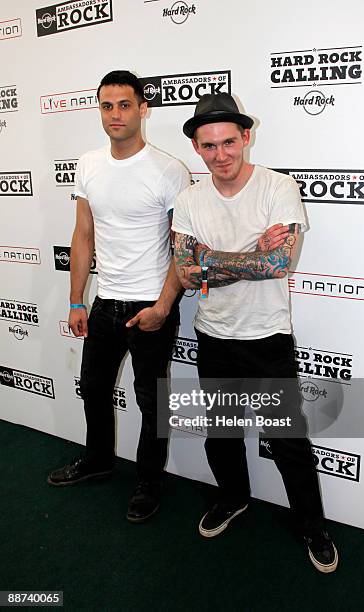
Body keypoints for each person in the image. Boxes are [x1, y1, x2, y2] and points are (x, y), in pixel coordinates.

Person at [172, 92, 338, 573]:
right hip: (213, 335)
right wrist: (247, 256)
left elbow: (280, 263)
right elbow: (185, 274)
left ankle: (312, 524)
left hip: (267, 337)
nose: (220, 154)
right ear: (197, 149)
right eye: (208, 146)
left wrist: (210, 260)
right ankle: (233, 499)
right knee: (221, 433)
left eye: (228, 142)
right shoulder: (188, 199)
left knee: (287, 439)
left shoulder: (277, 188)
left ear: (246, 137)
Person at [47, 70, 190, 523]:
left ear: (143, 108)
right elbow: (83, 234)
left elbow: (182, 248)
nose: (115, 115)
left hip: (151, 305)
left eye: (124, 105)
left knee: (151, 401)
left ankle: (149, 480)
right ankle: (98, 460)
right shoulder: (89, 164)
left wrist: (163, 307)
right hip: (105, 302)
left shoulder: (169, 170)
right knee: (92, 388)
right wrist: (75, 300)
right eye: (107, 106)